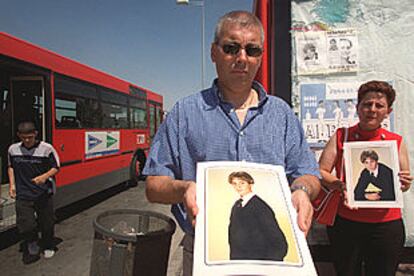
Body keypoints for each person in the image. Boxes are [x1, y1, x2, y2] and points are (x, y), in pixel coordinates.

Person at [143, 11, 320, 275]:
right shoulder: (185, 113)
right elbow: (153, 186)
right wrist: (184, 189)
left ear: (260, 57)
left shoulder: (281, 114)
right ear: (214, 52)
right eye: (231, 48)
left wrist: (303, 191)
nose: (242, 58)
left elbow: (308, 174)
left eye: (252, 50)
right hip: (206, 256)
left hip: (273, 264)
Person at [319, 80, 413, 276]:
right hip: (347, 224)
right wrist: (340, 185)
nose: (372, 109)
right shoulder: (341, 136)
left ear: (388, 111)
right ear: (358, 107)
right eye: (367, 104)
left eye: (379, 106)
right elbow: (321, 171)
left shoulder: (395, 142)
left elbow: (402, 184)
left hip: (386, 226)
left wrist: (404, 182)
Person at [8, 121, 60, 264]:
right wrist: (12, 185)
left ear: (35, 134)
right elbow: (11, 167)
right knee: (26, 224)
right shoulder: (13, 149)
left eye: (30, 137)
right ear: (19, 135)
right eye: (23, 137)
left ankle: (48, 245)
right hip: (23, 193)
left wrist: (43, 177)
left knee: (47, 223)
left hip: (43, 193)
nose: (27, 140)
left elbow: (56, 167)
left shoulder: (46, 149)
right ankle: (32, 244)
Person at [228, 171, 287, 261]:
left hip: (258, 262)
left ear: (250, 184)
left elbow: (279, 243)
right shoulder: (236, 205)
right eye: (235, 184)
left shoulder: (261, 207)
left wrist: (267, 266)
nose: (238, 186)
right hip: (240, 262)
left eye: (242, 183)